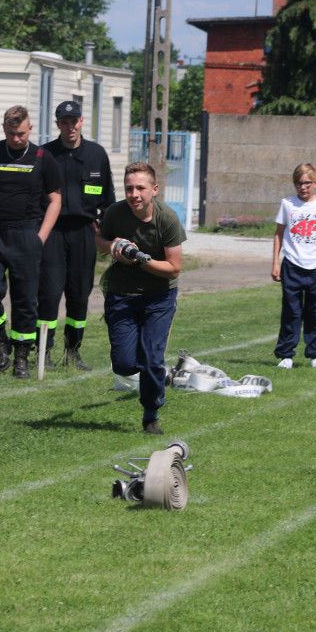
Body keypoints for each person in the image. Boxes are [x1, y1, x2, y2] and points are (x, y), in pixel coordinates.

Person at [0, 105, 62, 379]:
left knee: (25, 300)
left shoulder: (43, 157)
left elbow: (55, 200)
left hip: (27, 236)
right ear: (4, 130)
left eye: (20, 133)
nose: (16, 138)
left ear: (30, 129)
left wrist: (39, 237)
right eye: (10, 133)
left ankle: (21, 355)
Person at [96, 162, 185, 435]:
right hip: (121, 295)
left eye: (140, 188)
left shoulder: (167, 219)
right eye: (129, 188)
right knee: (123, 364)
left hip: (159, 297)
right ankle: (157, 373)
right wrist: (112, 246)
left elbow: (174, 267)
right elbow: (99, 238)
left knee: (150, 358)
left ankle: (151, 414)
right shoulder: (115, 213)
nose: (134, 194)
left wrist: (139, 259)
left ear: (154, 190)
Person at [38, 101, 116, 371]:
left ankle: (73, 352)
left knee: (79, 295)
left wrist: (108, 236)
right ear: (57, 124)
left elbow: (108, 201)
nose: (70, 126)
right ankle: (43, 353)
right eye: (64, 121)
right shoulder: (45, 154)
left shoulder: (96, 154)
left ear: (82, 121)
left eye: (74, 121)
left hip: (84, 233)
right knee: (48, 294)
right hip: (53, 232)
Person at [272, 163, 316, 369]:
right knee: (291, 312)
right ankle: (286, 355)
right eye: (299, 183)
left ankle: (315, 354)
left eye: (307, 183)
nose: (303, 187)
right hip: (292, 263)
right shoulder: (287, 204)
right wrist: (275, 262)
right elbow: (279, 233)